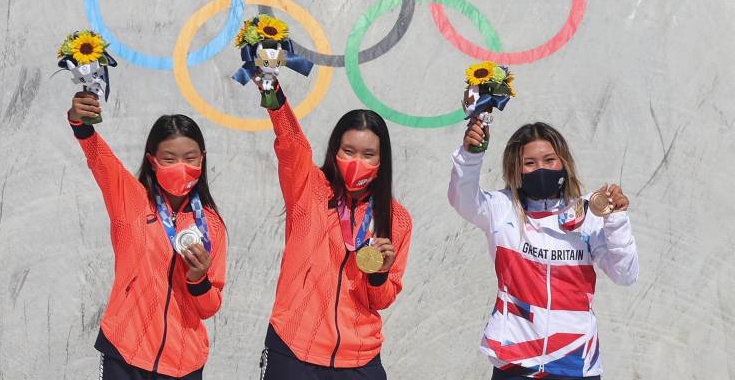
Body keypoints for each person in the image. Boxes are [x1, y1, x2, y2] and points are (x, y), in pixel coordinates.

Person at [448, 117, 638, 379]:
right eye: (530, 163)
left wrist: (615, 219)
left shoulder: (587, 212)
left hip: (575, 361)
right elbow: (462, 198)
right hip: (515, 359)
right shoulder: (501, 209)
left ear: (564, 163)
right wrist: (471, 155)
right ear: (516, 168)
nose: (541, 169)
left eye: (550, 160)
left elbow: (625, 274)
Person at [255, 80, 412, 380]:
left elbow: (382, 300)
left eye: (368, 154)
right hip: (294, 350)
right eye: (348, 151)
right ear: (334, 151)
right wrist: (274, 96)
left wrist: (379, 275)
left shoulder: (397, 219)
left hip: (358, 357)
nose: (357, 162)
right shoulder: (309, 189)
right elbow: (291, 144)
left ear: (382, 161)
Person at [67, 92, 227, 379]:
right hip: (125, 354)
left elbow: (209, 308)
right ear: (152, 161)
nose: (181, 166)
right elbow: (100, 158)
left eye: (190, 158)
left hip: (183, 363)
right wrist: (81, 124)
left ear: (202, 159)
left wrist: (198, 278)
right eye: (169, 158)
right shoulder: (130, 200)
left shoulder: (212, 226)